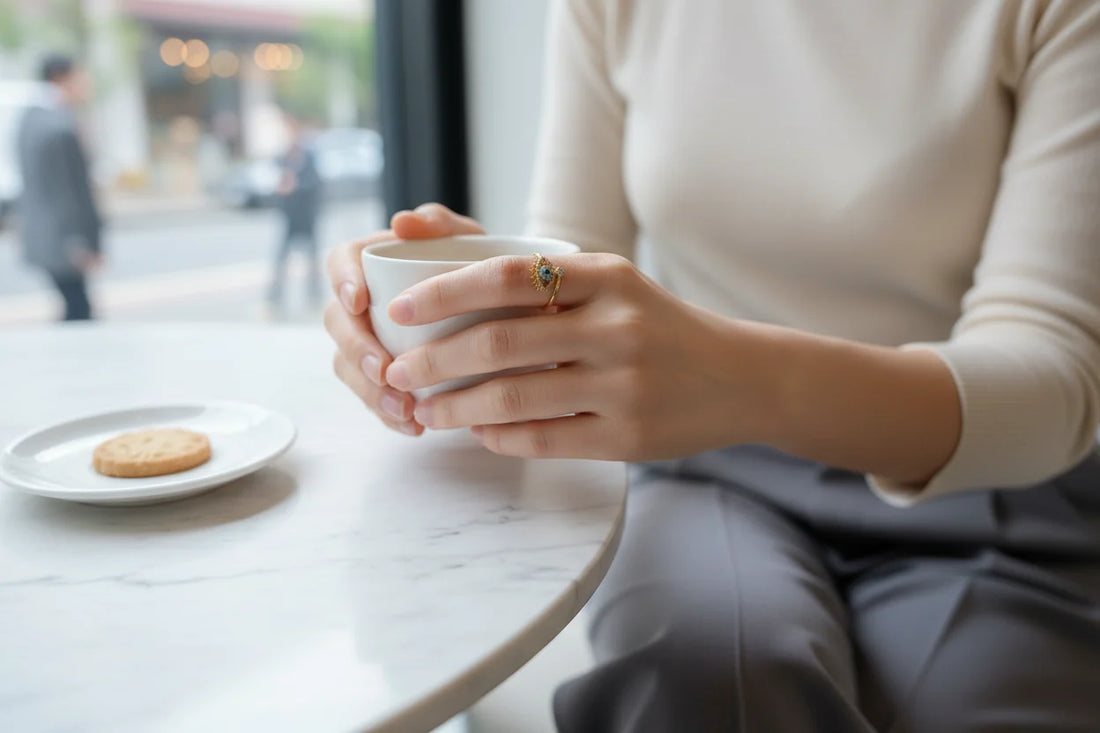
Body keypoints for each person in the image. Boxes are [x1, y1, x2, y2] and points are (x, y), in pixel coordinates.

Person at [325, 1, 1100, 730]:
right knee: (696, 674)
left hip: (988, 492)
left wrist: (743, 380)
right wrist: (472, 293)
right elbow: (572, 262)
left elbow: (1053, 372)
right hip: (706, 472)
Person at [17, 53, 102, 321]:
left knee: (73, 306)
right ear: (62, 77)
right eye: (81, 74)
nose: (86, 81)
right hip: (65, 239)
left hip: (42, 233)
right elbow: (69, 191)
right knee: (79, 312)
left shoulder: (29, 119)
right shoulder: (59, 126)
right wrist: (83, 241)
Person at [268, 112, 323, 312]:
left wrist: (296, 185)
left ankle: (314, 297)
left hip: (307, 216)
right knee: (281, 259)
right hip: (289, 217)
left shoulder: (308, 156)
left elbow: (317, 184)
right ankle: (274, 299)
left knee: (311, 260)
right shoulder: (281, 158)